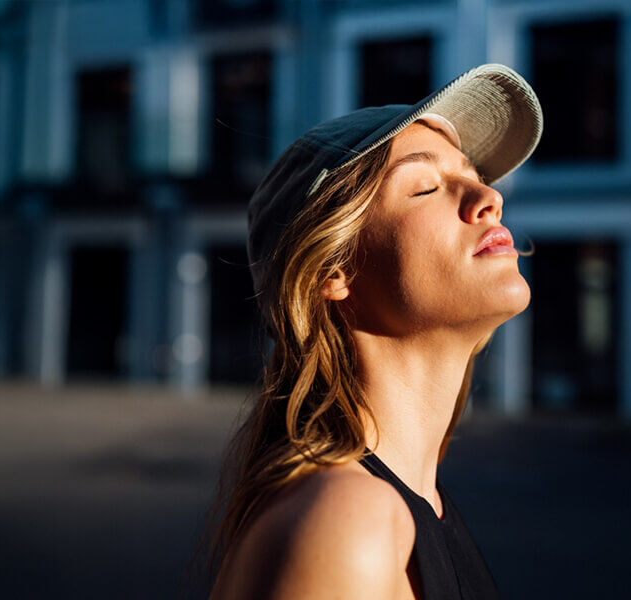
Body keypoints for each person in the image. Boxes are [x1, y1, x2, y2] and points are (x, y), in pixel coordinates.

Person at [200, 63, 543, 599]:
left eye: (474, 174)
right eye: (426, 186)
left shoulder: (409, 506)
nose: (487, 198)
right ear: (331, 272)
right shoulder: (348, 522)